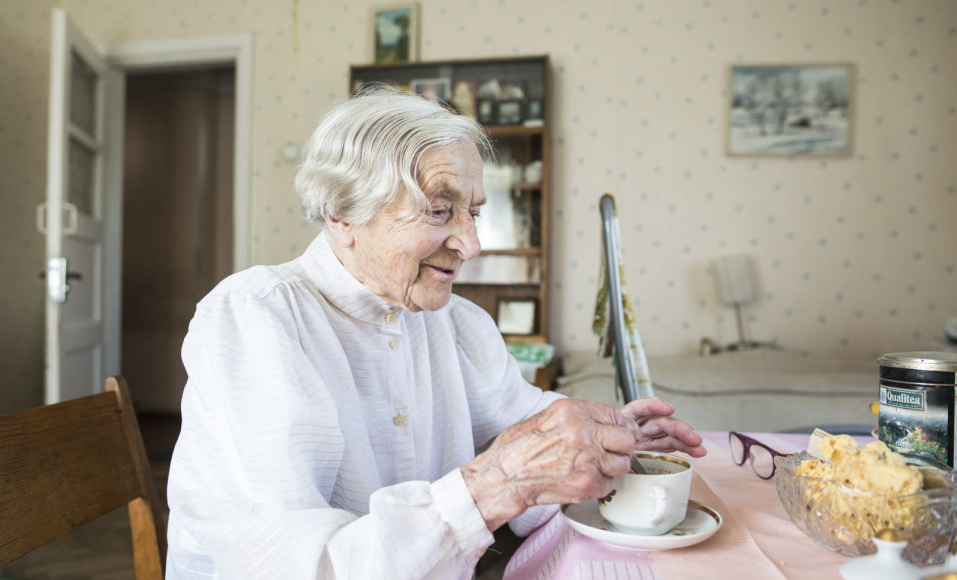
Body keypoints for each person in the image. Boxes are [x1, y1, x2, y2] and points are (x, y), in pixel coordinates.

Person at [165, 87, 706, 579]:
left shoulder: (461, 323)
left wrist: (604, 438)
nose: (470, 245)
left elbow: (524, 427)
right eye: (440, 210)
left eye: (472, 213)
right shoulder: (257, 319)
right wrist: (499, 482)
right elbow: (296, 567)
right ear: (341, 214)